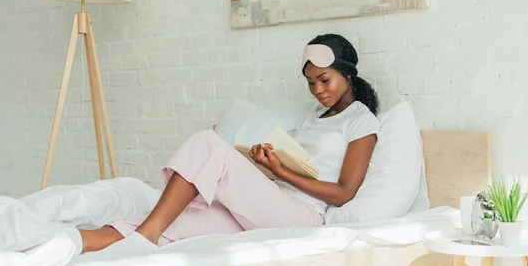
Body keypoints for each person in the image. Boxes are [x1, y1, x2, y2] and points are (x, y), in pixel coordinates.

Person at [79, 34, 380, 253]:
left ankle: (145, 237)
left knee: (209, 143)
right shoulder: (313, 117)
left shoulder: (361, 121)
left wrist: (284, 173)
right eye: (311, 82)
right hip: (271, 204)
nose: (317, 90)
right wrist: (267, 166)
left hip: (305, 217)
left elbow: (343, 193)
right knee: (178, 220)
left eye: (324, 80)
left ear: (348, 75)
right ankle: (74, 242)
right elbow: (301, 170)